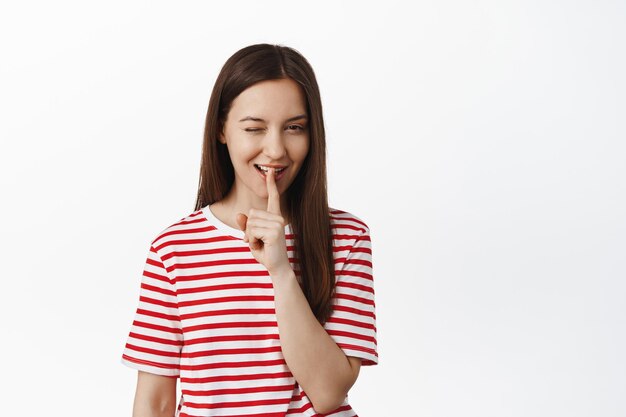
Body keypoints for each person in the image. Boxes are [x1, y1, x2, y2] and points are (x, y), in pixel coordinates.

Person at [121, 43, 378, 417]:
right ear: (222, 130)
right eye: (254, 128)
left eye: (294, 128)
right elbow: (155, 401)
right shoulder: (173, 249)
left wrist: (280, 270)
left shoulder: (345, 237)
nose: (275, 150)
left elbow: (327, 394)